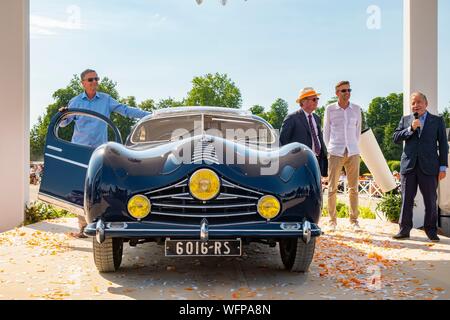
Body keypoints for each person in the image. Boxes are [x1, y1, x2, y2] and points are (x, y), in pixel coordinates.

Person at [62, 69, 151, 238]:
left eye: (96, 79)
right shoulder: (75, 102)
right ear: (83, 83)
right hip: (80, 150)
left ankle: (101, 223)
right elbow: (64, 123)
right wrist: (63, 113)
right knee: (80, 189)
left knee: (98, 188)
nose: (94, 82)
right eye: (90, 79)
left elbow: (125, 110)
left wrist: (150, 115)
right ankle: (82, 227)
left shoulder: (105, 100)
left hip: (99, 152)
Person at [392, 92, 448, 242]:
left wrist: (443, 167)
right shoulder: (406, 120)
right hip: (409, 166)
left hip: (430, 167)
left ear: (426, 103)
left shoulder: (437, 121)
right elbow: (396, 138)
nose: (416, 105)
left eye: (419, 102)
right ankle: (404, 230)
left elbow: (443, 144)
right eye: (413, 103)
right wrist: (410, 128)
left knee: (430, 200)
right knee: (406, 200)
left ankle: (431, 230)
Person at [324, 81, 363, 232]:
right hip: (335, 151)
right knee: (332, 188)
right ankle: (332, 221)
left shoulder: (356, 109)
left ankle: (354, 221)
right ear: (337, 93)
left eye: (349, 90)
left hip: (353, 151)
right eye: (343, 91)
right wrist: (330, 148)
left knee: (354, 188)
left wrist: (354, 146)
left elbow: (357, 131)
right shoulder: (330, 109)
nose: (347, 93)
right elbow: (326, 131)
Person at [280, 87, 328, 179]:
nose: (317, 101)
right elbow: (283, 142)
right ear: (303, 102)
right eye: (314, 99)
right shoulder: (292, 118)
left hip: (316, 161)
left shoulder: (317, 118)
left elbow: (319, 139)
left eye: (317, 99)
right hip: (299, 163)